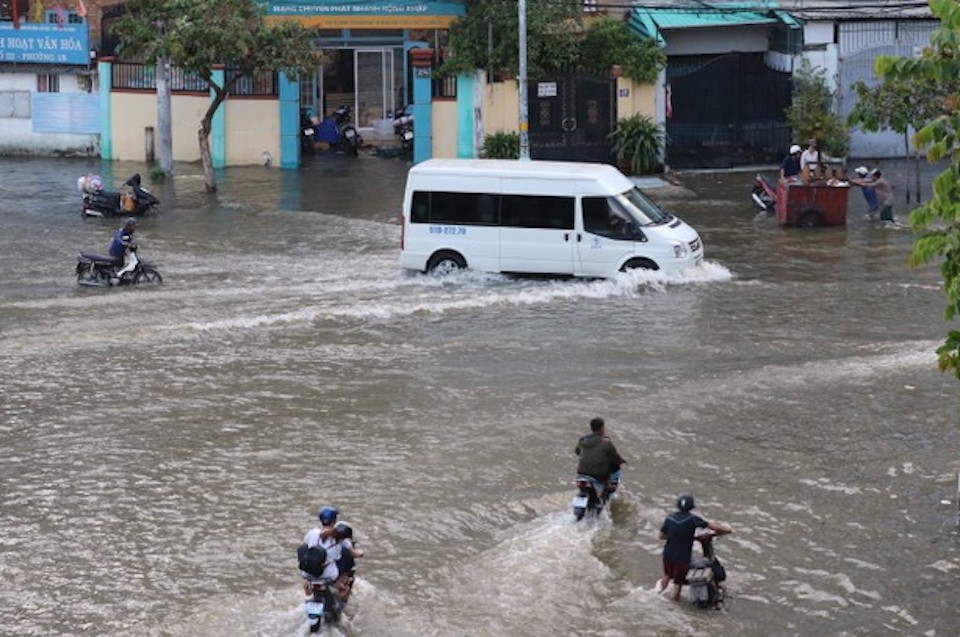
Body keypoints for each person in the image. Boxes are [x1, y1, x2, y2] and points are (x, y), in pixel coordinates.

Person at [656, 493, 731, 602]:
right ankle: (673, 604)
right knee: (678, 582)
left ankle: (658, 594)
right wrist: (726, 530)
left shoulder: (669, 518)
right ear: (691, 507)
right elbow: (714, 527)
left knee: (667, 575)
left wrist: (678, 536)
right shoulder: (692, 519)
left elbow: (661, 536)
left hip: (667, 554)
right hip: (682, 557)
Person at [299, 506, 340, 594]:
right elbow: (338, 557)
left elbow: (304, 545)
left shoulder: (312, 533)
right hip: (329, 576)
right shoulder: (336, 538)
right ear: (334, 520)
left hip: (308, 574)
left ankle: (308, 588)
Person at [575, 417, 626, 485]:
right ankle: (609, 487)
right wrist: (622, 461)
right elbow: (615, 457)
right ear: (602, 428)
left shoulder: (582, 440)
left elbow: (577, 452)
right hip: (598, 476)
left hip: (581, 472)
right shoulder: (606, 442)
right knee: (616, 467)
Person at [330, 522, 364, 601]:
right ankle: (342, 599)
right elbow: (356, 554)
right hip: (339, 574)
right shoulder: (346, 545)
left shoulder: (327, 542)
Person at [108, 217, 138, 281]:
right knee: (118, 264)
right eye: (134, 226)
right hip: (116, 252)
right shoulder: (121, 231)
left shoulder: (130, 233)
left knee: (123, 264)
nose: (135, 228)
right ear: (129, 226)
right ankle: (114, 278)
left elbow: (129, 241)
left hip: (122, 252)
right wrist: (123, 243)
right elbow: (118, 239)